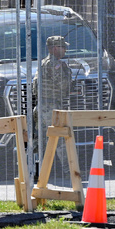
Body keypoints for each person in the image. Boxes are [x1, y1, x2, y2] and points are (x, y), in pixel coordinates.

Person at [32, 36, 72, 175]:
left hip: (42, 107)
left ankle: (41, 171)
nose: (65, 50)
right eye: (63, 47)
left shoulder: (44, 63)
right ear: (55, 48)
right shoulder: (54, 64)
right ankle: (70, 171)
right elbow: (63, 84)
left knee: (43, 141)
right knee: (60, 138)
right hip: (51, 107)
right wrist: (68, 73)